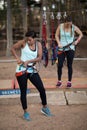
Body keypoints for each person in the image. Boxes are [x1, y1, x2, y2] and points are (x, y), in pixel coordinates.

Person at [11, 30, 53, 121]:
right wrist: (17, 58)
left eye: (30, 40)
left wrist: (28, 61)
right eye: (27, 39)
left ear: (34, 38)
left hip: (32, 70)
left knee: (41, 89)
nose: (28, 41)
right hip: (21, 70)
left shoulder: (38, 45)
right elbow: (12, 48)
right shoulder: (23, 42)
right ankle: (25, 112)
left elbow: (39, 57)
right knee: (23, 91)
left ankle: (45, 108)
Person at [55, 16, 83, 88]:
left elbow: (81, 34)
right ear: (65, 22)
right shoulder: (60, 26)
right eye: (68, 24)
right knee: (59, 65)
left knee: (69, 65)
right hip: (62, 48)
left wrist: (77, 41)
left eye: (70, 24)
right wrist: (58, 43)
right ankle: (59, 81)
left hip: (71, 48)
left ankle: (69, 81)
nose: (69, 26)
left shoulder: (73, 27)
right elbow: (56, 35)